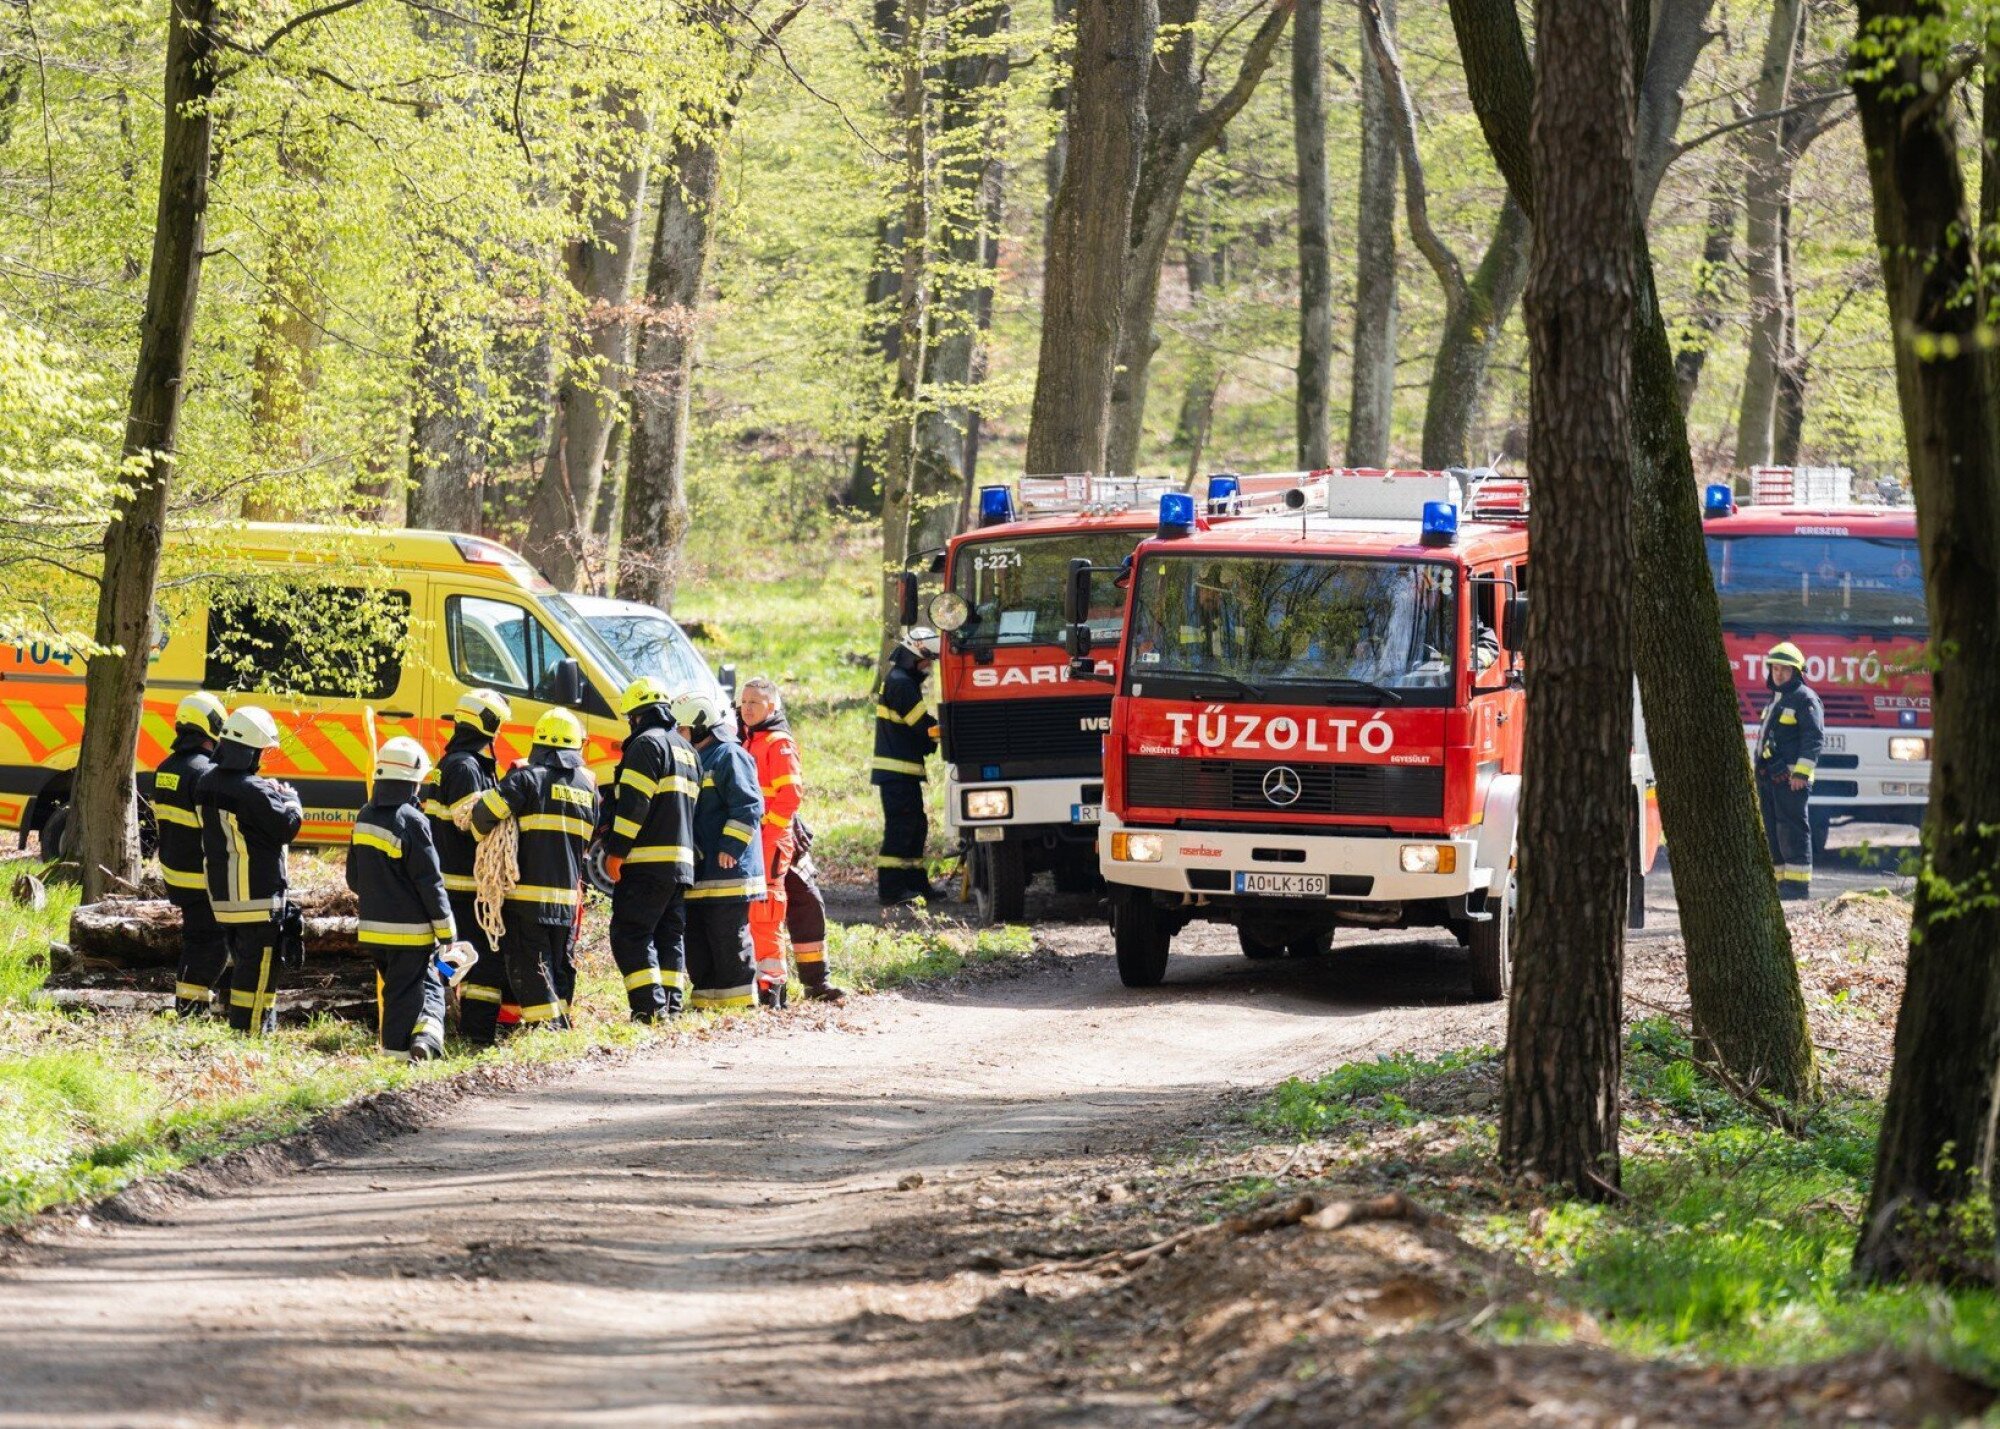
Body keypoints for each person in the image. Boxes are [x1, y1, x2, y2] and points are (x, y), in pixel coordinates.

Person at [469, 708, 599, 1030]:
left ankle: (549, 1030)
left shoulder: (526, 779)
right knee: (559, 963)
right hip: (568, 899)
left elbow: (482, 817)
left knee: (532, 965)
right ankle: (562, 1022)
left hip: (527, 899)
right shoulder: (588, 787)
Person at [349, 737, 466, 1061]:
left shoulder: (364, 816)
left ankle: (426, 1038)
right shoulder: (413, 822)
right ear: (412, 782)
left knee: (418, 984)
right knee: (404, 994)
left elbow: (353, 878)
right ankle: (398, 1059)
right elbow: (430, 883)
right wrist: (447, 934)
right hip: (411, 935)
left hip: (372, 932)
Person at [195, 706, 303, 1036]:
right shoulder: (253, 791)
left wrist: (268, 790)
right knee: (259, 976)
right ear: (251, 751)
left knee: (243, 970)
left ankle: (244, 1032)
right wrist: (292, 800)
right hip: (257, 900)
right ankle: (251, 1038)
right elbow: (286, 826)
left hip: (225, 901)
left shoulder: (206, 782)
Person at [739, 677, 844, 1005]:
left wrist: (769, 832)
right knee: (796, 903)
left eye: (755, 702)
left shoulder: (776, 742)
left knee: (772, 907)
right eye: (744, 702)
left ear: (771, 706)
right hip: (767, 840)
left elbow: (789, 795)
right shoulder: (749, 739)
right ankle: (805, 982)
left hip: (774, 841)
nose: (747, 708)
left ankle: (782, 984)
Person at [603, 676, 701, 1021]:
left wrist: (616, 853)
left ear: (637, 716)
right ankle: (671, 1008)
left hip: (646, 862)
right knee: (668, 934)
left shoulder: (645, 745)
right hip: (682, 865)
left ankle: (648, 1009)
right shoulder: (688, 751)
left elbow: (634, 806)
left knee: (630, 932)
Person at [423, 688, 514, 1046]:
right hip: (466, 886)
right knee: (483, 965)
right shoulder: (465, 767)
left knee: (456, 956)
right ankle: (476, 1035)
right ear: (488, 724)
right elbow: (473, 821)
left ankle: (436, 1008)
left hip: (454, 883)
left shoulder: (454, 763)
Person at [675, 688, 764, 1012]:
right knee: (699, 937)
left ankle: (740, 1004)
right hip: (702, 868)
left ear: (699, 726)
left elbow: (749, 805)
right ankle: (706, 1001)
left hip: (728, 868)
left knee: (728, 936)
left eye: (682, 729)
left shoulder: (729, 755)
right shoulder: (696, 758)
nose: (678, 735)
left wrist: (731, 846)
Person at [155, 691, 230, 1018]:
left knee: (201, 940)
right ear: (213, 725)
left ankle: (208, 1006)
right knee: (209, 946)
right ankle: (189, 1011)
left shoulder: (166, 767)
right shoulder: (204, 773)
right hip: (203, 878)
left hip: (176, 874)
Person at [872, 627, 942, 905]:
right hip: (897, 772)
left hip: (904, 771)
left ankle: (916, 883)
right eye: (928, 660)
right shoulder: (901, 683)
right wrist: (943, 731)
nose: (929, 666)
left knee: (915, 827)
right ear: (915, 656)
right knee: (901, 829)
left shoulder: (901, 680)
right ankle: (891, 890)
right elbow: (920, 727)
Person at [1755, 641, 1825, 901]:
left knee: (1793, 830)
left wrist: (1801, 774)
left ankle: (1797, 887)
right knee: (1773, 832)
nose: (1779, 674)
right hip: (1770, 779)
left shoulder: (1805, 698)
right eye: (1775, 669)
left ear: (1796, 672)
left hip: (1791, 780)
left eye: (1785, 670)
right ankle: (1780, 884)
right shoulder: (1776, 699)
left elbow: (1813, 739)